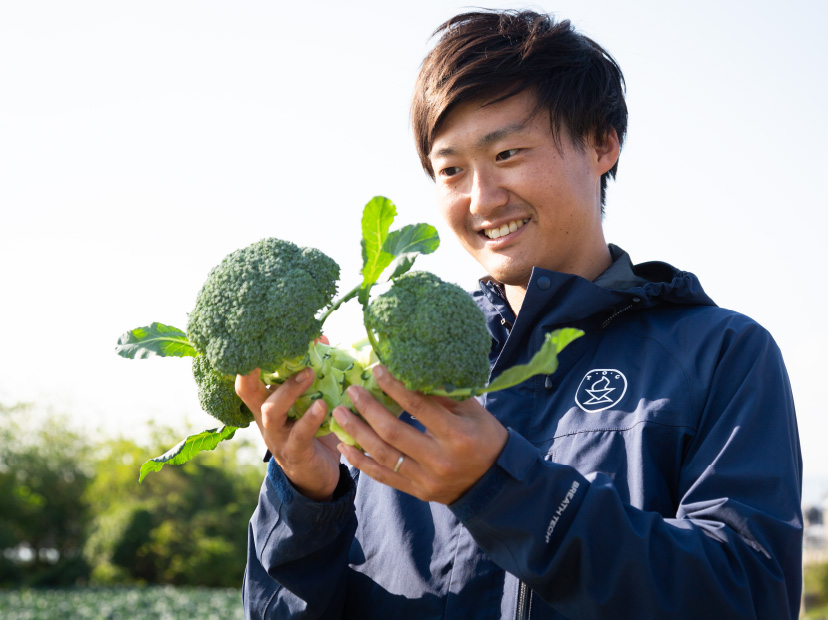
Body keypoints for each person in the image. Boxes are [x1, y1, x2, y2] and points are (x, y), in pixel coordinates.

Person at [238, 10, 803, 619]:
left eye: (507, 153)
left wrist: (499, 490)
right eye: (451, 169)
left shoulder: (721, 355)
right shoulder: (385, 371)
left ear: (601, 143)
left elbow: (748, 596)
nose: (481, 199)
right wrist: (307, 500)